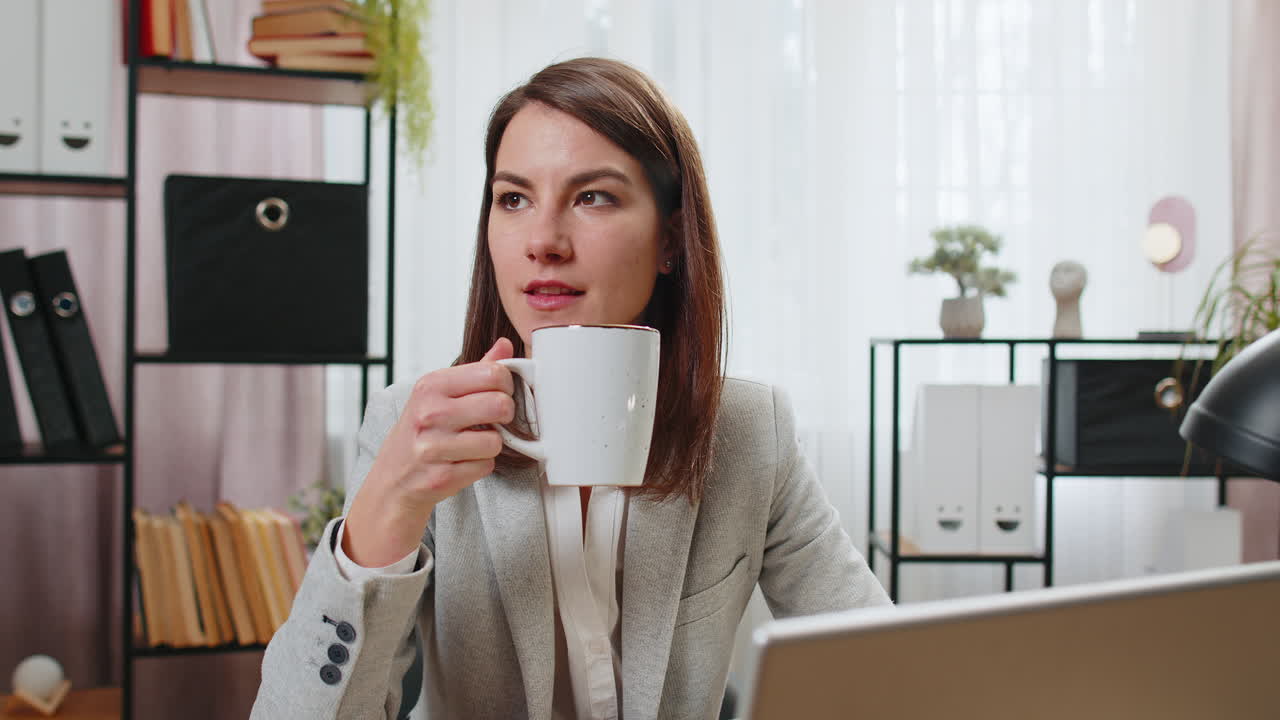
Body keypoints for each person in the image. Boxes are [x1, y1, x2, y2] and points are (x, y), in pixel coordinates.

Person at [251, 57, 890, 720]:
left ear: (671, 240)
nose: (543, 241)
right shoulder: (413, 427)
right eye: (514, 198)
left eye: (593, 197)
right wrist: (384, 514)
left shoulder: (749, 430)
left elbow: (887, 671)